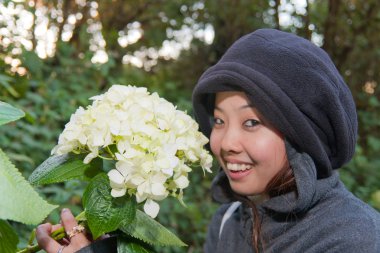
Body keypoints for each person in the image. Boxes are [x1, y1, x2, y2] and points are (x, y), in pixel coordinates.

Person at [36, 28, 380, 252]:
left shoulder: (354, 239)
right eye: (218, 120)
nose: (225, 142)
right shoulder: (229, 220)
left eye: (251, 121)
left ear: (304, 135)